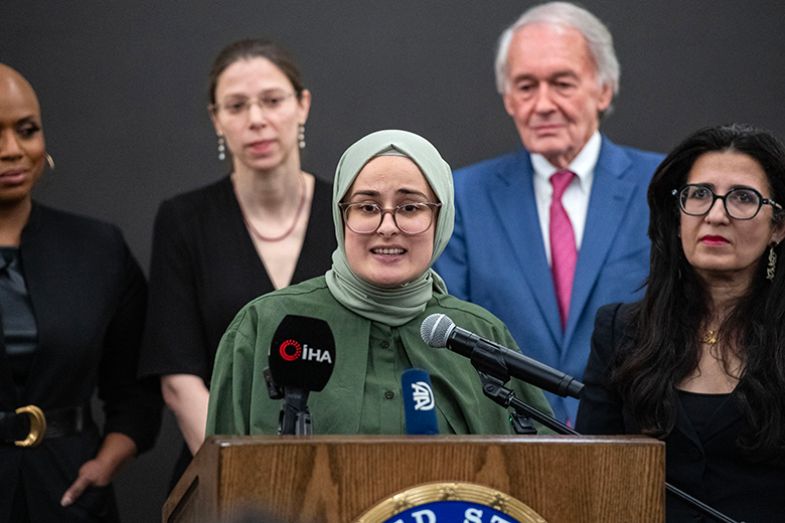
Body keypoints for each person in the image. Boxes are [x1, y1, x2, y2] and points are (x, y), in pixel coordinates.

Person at [206, 130, 552, 436]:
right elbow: (222, 483)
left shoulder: (479, 335)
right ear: (342, 218)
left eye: (410, 207)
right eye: (368, 207)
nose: (388, 226)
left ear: (440, 219)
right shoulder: (265, 325)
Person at [434, 1, 663, 423]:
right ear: (508, 99)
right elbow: (451, 336)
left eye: (562, 83)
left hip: (633, 442)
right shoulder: (461, 196)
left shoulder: (663, 187)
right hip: (510, 442)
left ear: (604, 89)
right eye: (525, 86)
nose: (543, 104)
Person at [138, 39, 336, 485]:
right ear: (216, 119)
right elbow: (178, 378)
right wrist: (243, 474)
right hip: (219, 475)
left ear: (302, 105)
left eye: (272, 100)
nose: (256, 120)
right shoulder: (183, 220)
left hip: (338, 473)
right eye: (236, 105)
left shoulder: (347, 214)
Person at [576, 124, 785, 521]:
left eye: (743, 198)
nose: (716, 215)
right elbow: (590, 479)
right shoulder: (621, 332)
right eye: (699, 195)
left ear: (778, 226)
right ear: (677, 216)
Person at [0, 64, 161, 521]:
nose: (13, 150)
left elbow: (136, 392)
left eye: (27, 130)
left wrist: (104, 464)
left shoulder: (97, 248)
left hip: (68, 496)